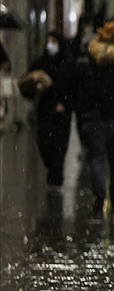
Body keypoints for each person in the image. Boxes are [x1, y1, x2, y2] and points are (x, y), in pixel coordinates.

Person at [75, 20, 114, 218]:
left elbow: (80, 85)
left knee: (96, 158)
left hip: (94, 116)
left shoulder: (92, 55)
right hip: (113, 116)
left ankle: (100, 195)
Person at [24, 31, 76, 189]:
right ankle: (53, 172)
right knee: (44, 142)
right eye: (48, 41)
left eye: (54, 41)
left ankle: (56, 176)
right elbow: (28, 83)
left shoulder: (68, 66)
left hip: (62, 115)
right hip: (45, 112)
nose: (50, 45)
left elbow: (74, 89)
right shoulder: (40, 64)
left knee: (59, 148)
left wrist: (65, 105)